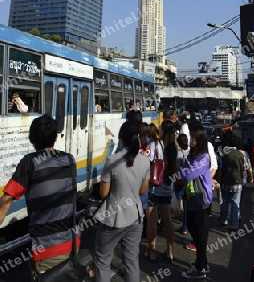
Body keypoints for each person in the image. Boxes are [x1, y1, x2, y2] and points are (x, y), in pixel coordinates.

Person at [0, 114, 78, 277]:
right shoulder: (69, 159)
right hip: (72, 242)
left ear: (30, 138)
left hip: (48, 249)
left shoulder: (29, 163)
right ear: (56, 137)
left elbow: (5, 202)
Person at [93, 121, 150, 282]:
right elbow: (142, 191)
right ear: (137, 138)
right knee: (131, 261)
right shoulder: (145, 161)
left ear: (120, 138)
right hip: (135, 217)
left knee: (103, 260)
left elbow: (104, 193)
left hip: (113, 218)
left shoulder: (112, 160)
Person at [179, 124, 212, 279]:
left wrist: (180, 172)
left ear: (199, 140)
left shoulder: (204, 157)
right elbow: (184, 169)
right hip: (193, 197)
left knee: (200, 234)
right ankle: (202, 263)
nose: (190, 140)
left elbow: (187, 174)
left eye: (193, 138)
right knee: (194, 229)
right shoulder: (192, 154)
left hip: (201, 199)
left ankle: (200, 268)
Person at [146, 122, 177, 263]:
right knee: (167, 219)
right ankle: (170, 252)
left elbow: (148, 164)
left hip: (154, 187)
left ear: (162, 131)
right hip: (167, 188)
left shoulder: (155, 146)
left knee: (151, 219)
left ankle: (151, 252)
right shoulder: (173, 148)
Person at [219, 133, 248, 231]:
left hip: (225, 182)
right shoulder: (241, 154)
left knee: (225, 202)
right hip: (237, 183)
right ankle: (234, 224)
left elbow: (220, 169)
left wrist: (219, 180)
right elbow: (244, 169)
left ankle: (224, 220)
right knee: (236, 203)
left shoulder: (223, 153)